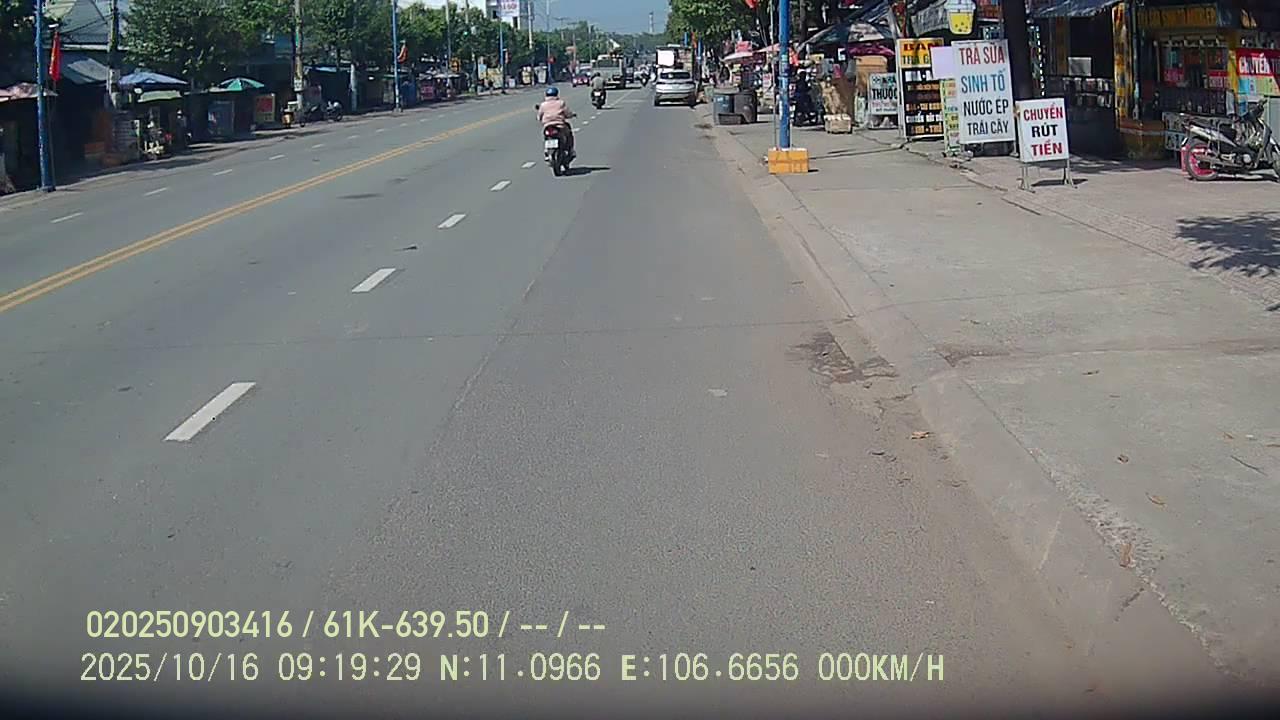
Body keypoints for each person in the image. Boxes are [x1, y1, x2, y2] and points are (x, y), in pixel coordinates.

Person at [536, 86, 576, 159]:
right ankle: (570, 150)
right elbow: (567, 113)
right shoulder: (561, 103)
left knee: (545, 136)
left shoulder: (543, 105)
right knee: (569, 134)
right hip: (560, 125)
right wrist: (572, 115)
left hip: (547, 125)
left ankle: (546, 150)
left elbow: (539, 116)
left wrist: (541, 120)